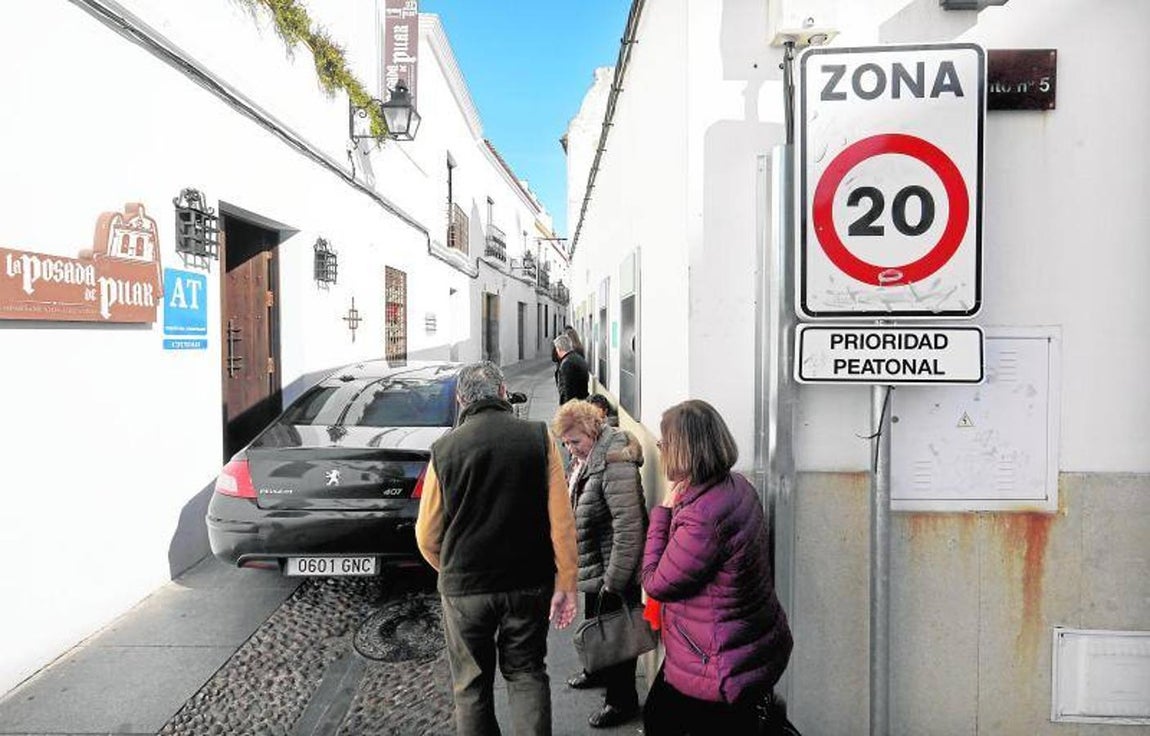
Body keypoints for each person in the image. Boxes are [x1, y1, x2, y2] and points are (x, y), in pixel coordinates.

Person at [415, 361, 579, 736]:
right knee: (526, 672)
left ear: (461, 400)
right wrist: (566, 581)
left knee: (471, 684)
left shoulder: (444, 449)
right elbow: (562, 521)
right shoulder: (538, 438)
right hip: (528, 581)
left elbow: (426, 535)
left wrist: (451, 568)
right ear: (503, 392)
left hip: (465, 587)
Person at [641, 399, 793, 735]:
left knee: (659, 720)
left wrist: (663, 513)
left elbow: (656, 582)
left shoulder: (703, 518)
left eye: (664, 443)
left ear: (684, 450)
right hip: (745, 642)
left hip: (717, 662)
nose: (660, 450)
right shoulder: (736, 486)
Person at [552, 400, 648, 729]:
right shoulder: (588, 457)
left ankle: (621, 702)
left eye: (575, 441)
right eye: (566, 443)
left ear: (593, 431)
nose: (570, 449)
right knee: (596, 626)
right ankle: (597, 671)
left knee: (617, 637)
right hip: (597, 563)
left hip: (615, 567)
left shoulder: (615, 462)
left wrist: (616, 579)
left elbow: (629, 528)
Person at [554, 335, 590, 404]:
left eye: (556, 348)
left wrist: (566, 407)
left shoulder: (567, 364)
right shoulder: (578, 358)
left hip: (573, 404)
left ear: (559, 348)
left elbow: (567, 390)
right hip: (581, 400)